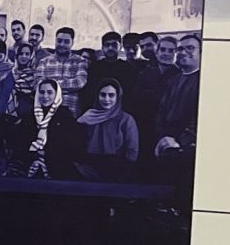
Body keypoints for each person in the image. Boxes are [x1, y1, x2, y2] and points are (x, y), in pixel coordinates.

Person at [152, 35, 201, 177]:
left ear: (201, 52)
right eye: (180, 49)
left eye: (190, 48)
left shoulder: (205, 80)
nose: (183, 52)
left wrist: (179, 142)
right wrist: (163, 137)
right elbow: (161, 113)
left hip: (187, 148)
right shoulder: (173, 80)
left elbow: (200, 117)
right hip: (167, 144)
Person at [73, 79, 141, 181]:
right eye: (103, 95)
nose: (106, 99)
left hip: (118, 171)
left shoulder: (126, 120)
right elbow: (77, 148)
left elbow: (132, 153)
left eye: (111, 95)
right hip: (88, 170)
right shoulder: (86, 118)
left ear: (118, 97)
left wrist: (121, 171)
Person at [6, 76, 72, 178]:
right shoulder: (29, 115)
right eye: (42, 92)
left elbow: (67, 145)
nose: (45, 96)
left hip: (57, 163)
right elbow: (20, 143)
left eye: (49, 92)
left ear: (57, 94)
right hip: (29, 162)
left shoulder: (65, 115)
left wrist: (46, 154)